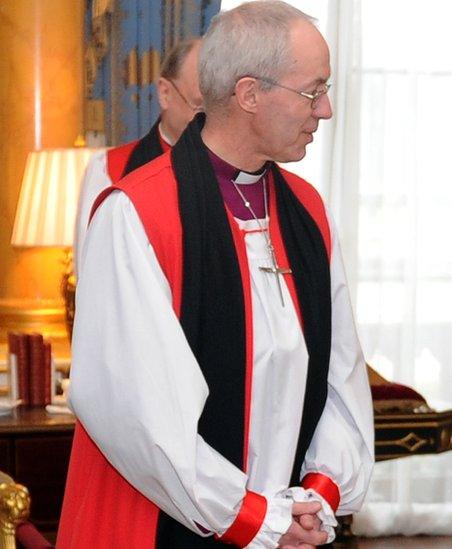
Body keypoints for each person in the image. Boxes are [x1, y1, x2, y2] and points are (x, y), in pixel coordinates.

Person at [58, 2, 374, 547]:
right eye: (312, 90)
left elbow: (340, 374)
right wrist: (253, 518)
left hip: (282, 520)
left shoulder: (307, 211)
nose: (324, 110)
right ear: (249, 94)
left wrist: (317, 492)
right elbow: (136, 411)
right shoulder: (137, 212)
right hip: (168, 518)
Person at [73, 37, 203, 265]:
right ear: (165, 93)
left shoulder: (238, 171)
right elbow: (95, 268)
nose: (210, 120)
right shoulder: (110, 169)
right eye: (199, 106)